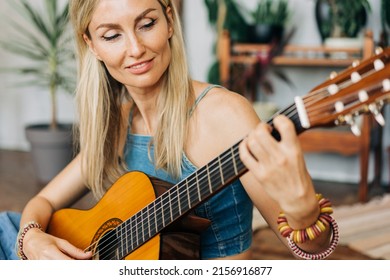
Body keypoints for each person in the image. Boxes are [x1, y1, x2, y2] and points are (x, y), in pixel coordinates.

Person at [0, 0, 338, 260]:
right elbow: (43, 200)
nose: (135, 49)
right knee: (8, 227)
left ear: (169, 22)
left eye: (146, 24)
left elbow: (310, 252)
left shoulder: (224, 115)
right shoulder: (118, 120)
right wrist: (31, 238)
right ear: (92, 45)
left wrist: (304, 211)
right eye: (112, 35)